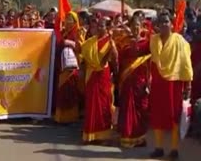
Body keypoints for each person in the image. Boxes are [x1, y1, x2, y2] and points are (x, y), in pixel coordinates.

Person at [149, 13, 193, 160]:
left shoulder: (180, 41)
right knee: (157, 116)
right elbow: (152, 63)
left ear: (172, 24)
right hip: (157, 84)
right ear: (157, 25)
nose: (164, 25)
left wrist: (188, 85)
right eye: (161, 22)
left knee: (174, 116)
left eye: (166, 22)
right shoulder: (154, 41)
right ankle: (159, 147)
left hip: (174, 85)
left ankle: (174, 149)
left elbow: (186, 64)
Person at [81, 18, 118, 144]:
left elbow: (115, 60)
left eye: (102, 26)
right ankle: (90, 135)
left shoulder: (110, 41)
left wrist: (112, 52)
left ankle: (103, 136)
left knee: (103, 104)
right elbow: (83, 54)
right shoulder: (90, 42)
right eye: (98, 26)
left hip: (103, 75)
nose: (100, 29)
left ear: (106, 28)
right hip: (91, 75)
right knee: (92, 104)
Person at [117, 16, 150, 148]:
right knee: (127, 109)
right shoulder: (124, 43)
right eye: (133, 25)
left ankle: (140, 138)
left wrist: (148, 82)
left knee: (141, 109)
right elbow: (120, 63)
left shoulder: (147, 43)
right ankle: (127, 137)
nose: (135, 28)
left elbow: (149, 65)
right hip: (127, 81)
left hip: (141, 82)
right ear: (129, 27)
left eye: (138, 25)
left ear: (141, 26)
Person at [54, 11, 83, 124]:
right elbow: (57, 36)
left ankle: (71, 117)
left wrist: (70, 43)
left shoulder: (78, 32)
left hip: (73, 66)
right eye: (66, 19)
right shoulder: (63, 32)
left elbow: (81, 47)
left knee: (70, 91)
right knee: (62, 90)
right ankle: (61, 117)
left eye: (71, 19)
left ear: (75, 22)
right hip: (62, 65)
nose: (68, 21)